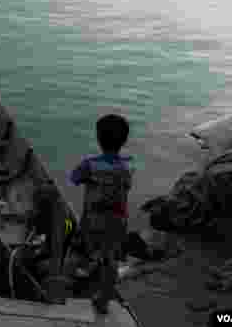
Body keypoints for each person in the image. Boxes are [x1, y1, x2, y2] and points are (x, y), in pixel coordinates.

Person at [69, 114, 133, 314]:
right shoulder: (128, 166)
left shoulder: (90, 163)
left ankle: (86, 269)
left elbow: (74, 178)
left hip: (94, 219)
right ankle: (104, 298)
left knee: (87, 245)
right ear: (124, 140)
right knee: (111, 257)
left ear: (98, 138)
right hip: (118, 220)